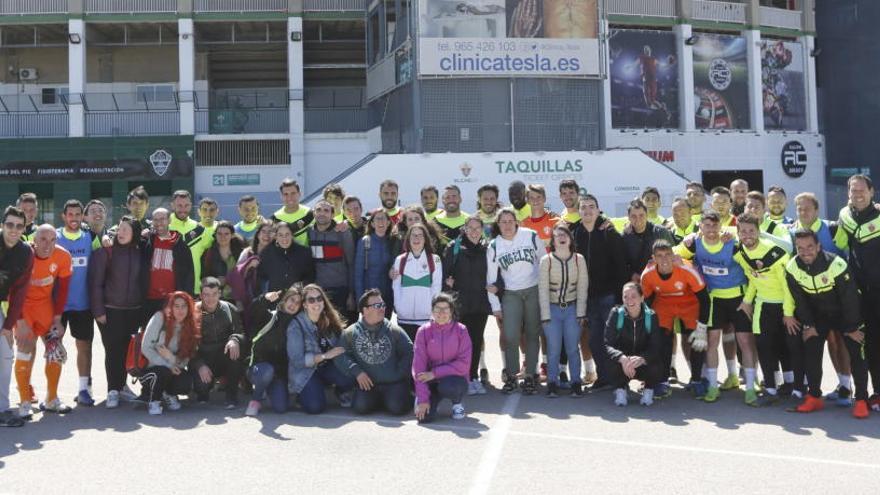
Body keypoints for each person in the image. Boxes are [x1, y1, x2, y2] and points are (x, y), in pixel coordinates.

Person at [786, 229, 870, 418]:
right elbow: (800, 300)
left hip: (846, 314)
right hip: (819, 316)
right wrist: (809, 324)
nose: (805, 251)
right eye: (800, 248)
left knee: (857, 350)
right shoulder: (792, 267)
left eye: (809, 247)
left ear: (818, 246)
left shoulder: (836, 264)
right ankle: (814, 396)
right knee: (811, 346)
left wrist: (851, 328)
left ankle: (862, 399)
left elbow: (850, 300)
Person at [675, 211, 752, 402]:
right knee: (712, 343)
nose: (711, 230)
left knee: (745, 342)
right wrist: (684, 242)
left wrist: (748, 300)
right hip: (713, 300)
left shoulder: (732, 244)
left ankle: (750, 387)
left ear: (721, 227)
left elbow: (752, 268)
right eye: (707, 226)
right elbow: (673, 254)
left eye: (715, 226)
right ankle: (712, 386)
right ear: (700, 227)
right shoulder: (694, 244)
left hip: (738, 298)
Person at [735, 214, 801, 406]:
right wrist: (747, 301)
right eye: (743, 231)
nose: (747, 235)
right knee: (764, 347)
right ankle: (770, 389)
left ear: (758, 231)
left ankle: (796, 388)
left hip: (785, 304)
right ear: (738, 233)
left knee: (789, 347)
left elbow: (788, 286)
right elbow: (754, 279)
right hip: (763, 305)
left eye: (751, 230)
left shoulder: (776, 252)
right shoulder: (740, 254)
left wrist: (788, 313)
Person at [13, 224, 72, 418]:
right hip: (23, 308)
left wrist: (58, 319)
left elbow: (63, 290)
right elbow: (13, 290)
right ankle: (24, 401)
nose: (48, 244)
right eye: (43, 239)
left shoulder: (63, 256)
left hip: (45, 307)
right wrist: (19, 321)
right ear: (34, 240)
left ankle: (52, 399)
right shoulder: (23, 255)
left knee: (54, 348)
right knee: (25, 349)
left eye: (53, 239)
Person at [569, 194, 627, 388]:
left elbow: (620, 265)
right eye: (583, 207)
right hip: (586, 297)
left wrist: (620, 297)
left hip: (609, 295)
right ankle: (603, 378)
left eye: (591, 207)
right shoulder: (574, 233)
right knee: (594, 340)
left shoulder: (609, 232)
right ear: (578, 211)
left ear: (598, 209)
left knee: (612, 340)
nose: (587, 210)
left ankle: (619, 380)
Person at [641, 240, 710, 398]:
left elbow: (704, 299)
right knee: (662, 340)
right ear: (653, 258)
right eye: (659, 256)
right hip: (664, 304)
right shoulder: (647, 274)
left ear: (674, 255)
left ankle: (697, 380)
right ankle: (662, 381)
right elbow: (646, 301)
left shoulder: (687, 268)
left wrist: (702, 327)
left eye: (667, 255)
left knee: (696, 340)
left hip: (689, 303)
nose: (664, 259)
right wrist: (645, 327)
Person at [89, 216, 145, 408]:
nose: (121, 233)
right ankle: (113, 390)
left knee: (126, 350)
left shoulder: (140, 253)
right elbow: (96, 284)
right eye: (120, 229)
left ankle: (122, 387)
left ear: (134, 234)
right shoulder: (106, 252)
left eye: (126, 230)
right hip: (111, 309)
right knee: (113, 350)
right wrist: (98, 310)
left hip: (133, 310)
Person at [836, 174, 880, 409]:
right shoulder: (844, 215)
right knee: (860, 343)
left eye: (862, 190)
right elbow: (841, 244)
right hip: (857, 293)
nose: (858, 194)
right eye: (853, 191)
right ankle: (862, 394)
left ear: (872, 192)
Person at [487, 208, 542, 394]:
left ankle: (530, 375)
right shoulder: (494, 246)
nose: (508, 225)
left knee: (533, 334)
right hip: (510, 293)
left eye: (511, 221)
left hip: (533, 289)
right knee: (510, 335)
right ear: (498, 224)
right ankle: (511, 375)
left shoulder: (531, 236)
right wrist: (495, 306)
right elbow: (490, 280)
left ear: (516, 222)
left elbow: (544, 263)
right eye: (503, 222)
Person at [338, 289, 413, 416]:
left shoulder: (394, 330)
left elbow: (409, 351)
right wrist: (357, 372)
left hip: (393, 383)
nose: (382, 308)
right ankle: (382, 401)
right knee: (360, 408)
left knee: (396, 408)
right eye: (377, 305)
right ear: (365, 310)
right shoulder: (350, 333)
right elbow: (339, 354)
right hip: (369, 385)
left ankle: (403, 398)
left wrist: (399, 373)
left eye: (383, 305)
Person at [443, 215, 493, 395]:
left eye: (477, 228)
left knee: (476, 340)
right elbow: (445, 275)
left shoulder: (487, 248)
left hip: (480, 304)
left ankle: (472, 377)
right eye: (470, 228)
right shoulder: (453, 248)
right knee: (460, 344)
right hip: (460, 305)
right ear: (464, 229)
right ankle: (461, 377)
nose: (474, 232)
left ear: (482, 230)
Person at [287, 284, 355, 414]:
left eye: (319, 298)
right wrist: (324, 356)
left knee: (352, 373)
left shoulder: (329, 318)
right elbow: (297, 361)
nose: (316, 302)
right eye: (311, 300)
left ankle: (340, 391)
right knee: (315, 407)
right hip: (306, 373)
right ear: (305, 305)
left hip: (326, 368)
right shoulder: (296, 326)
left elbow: (342, 342)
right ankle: (302, 395)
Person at [56, 200, 98, 406]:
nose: (73, 218)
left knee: (84, 347)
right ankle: (51, 393)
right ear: (63, 216)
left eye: (77, 214)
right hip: (58, 306)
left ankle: (83, 389)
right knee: (53, 347)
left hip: (83, 304)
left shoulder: (90, 237)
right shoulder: (54, 237)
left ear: (83, 216)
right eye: (70, 214)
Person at [539, 224, 588, 397]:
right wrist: (545, 315)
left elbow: (583, 287)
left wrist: (581, 312)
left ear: (570, 238)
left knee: (572, 348)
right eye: (557, 235)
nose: (561, 237)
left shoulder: (578, 259)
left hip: (572, 309)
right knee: (553, 348)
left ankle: (576, 381)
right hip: (552, 310)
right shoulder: (547, 260)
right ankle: (552, 382)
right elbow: (543, 290)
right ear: (553, 240)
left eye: (564, 234)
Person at [242, 287, 303, 416]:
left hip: (278, 374)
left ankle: (267, 388)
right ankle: (256, 400)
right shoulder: (269, 316)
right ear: (285, 300)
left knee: (281, 407)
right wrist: (264, 298)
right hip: (258, 368)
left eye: (298, 303)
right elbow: (253, 310)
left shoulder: (296, 325)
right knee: (267, 371)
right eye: (292, 300)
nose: (293, 305)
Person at [413, 293, 471, 422]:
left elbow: (464, 365)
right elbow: (418, 367)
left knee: (450, 386)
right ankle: (428, 399)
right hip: (430, 381)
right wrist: (423, 399)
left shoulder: (461, 330)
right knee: (424, 419)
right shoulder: (423, 331)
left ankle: (457, 404)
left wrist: (435, 373)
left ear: (451, 311)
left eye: (445, 309)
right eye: (437, 309)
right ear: (432, 311)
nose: (441, 313)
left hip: (453, 381)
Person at [138, 292, 199, 415]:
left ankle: (168, 393)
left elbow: (184, 361)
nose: (180, 310)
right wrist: (168, 365)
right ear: (171, 307)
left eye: (184, 306)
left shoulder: (191, 326)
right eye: (176, 306)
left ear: (189, 308)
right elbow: (145, 348)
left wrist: (170, 358)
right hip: (151, 368)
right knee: (162, 372)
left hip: (172, 366)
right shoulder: (160, 318)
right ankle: (153, 401)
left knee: (186, 382)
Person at [0, 206, 33, 427]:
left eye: (19, 226)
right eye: (10, 224)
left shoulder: (25, 252)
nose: (14, 230)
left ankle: (2, 409)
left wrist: (8, 325)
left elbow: (20, 292)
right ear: (2, 225)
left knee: (5, 354)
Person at [605, 283, 663, 406]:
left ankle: (648, 390)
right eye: (625, 296)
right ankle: (620, 389)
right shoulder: (616, 313)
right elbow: (608, 344)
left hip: (642, 363)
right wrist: (622, 358)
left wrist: (643, 359)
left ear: (642, 298)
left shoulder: (651, 316)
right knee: (610, 361)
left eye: (633, 296)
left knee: (657, 363)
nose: (629, 300)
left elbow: (656, 345)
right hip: (623, 363)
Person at [192, 278, 244, 408]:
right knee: (202, 388)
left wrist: (235, 339)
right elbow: (187, 344)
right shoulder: (192, 313)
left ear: (220, 293)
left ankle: (231, 396)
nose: (211, 298)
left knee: (235, 352)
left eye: (214, 293)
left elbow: (241, 333)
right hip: (203, 358)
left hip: (224, 355)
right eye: (207, 294)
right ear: (201, 295)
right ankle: (202, 391)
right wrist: (199, 365)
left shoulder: (229, 309)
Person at [142, 208, 195, 325]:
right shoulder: (147, 242)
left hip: (172, 301)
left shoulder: (180, 245)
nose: (159, 223)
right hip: (149, 301)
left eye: (162, 219)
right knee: (150, 336)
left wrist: (186, 298)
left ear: (169, 220)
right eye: (155, 220)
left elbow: (189, 274)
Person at [392, 224, 443, 340]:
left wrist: (431, 310)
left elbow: (436, 287)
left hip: (426, 318)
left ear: (425, 239)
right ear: (408, 239)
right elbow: (396, 286)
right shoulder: (400, 260)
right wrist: (399, 308)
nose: (416, 239)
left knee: (424, 353)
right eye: (413, 236)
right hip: (404, 318)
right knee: (408, 353)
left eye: (420, 235)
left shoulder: (435, 259)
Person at [308, 200, 356, 321]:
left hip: (340, 291)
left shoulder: (342, 232)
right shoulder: (309, 233)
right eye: (318, 210)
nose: (322, 213)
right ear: (314, 213)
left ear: (333, 214)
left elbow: (351, 264)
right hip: (318, 292)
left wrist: (351, 293)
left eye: (326, 210)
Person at [169, 190, 214, 294]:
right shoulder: (164, 227)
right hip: (169, 289)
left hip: (194, 289)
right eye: (179, 205)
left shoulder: (201, 229)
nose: (183, 209)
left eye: (186, 205)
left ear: (191, 205)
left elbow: (221, 243)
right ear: (172, 205)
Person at [620, 199, 673, 283]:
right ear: (628, 217)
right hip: (636, 282)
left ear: (647, 215)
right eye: (634, 216)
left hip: (660, 280)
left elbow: (672, 256)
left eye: (641, 215)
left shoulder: (660, 232)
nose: (638, 219)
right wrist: (631, 274)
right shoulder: (624, 237)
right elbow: (621, 262)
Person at [354, 209, 394, 313]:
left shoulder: (393, 242)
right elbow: (358, 274)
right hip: (369, 296)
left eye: (384, 219)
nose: (381, 222)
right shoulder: (365, 241)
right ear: (372, 223)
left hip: (387, 296)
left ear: (389, 222)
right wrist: (360, 299)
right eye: (378, 219)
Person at [257, 222, 314, 292]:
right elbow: (262, 278)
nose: (284, 238)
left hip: (297, 298)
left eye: (287, 234)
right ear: (276, 237)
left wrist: (300, 286)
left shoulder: (304, 252)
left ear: (292, 235)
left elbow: (311, 276)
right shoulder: (266, 253)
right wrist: (266, 295)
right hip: (275, 299)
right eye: (280, 235)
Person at [201, 221, 246, 302]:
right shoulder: (209, 253)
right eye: (219, 234)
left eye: (226, 234)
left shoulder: (241, 253)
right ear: (215, 235)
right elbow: (204, 277)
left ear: (232, 235)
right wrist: (215, 281)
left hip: (239, 298)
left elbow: (246, 274)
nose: (223, 237)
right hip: (217, 298)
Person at [271, 178, 313, 246]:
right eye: (286, 194)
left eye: (293, 193)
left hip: (308, 256)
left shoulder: (311, 214)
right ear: (281, 196)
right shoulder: (274, 218)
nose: (289, 197)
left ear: (299, 194)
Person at [521, 183, 560, 250]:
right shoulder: (523, 224)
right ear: (527, 201)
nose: (535, 200)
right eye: (531, 197)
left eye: (538, 197)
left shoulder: (555, 220)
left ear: (544, 199)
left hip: (552, 260)